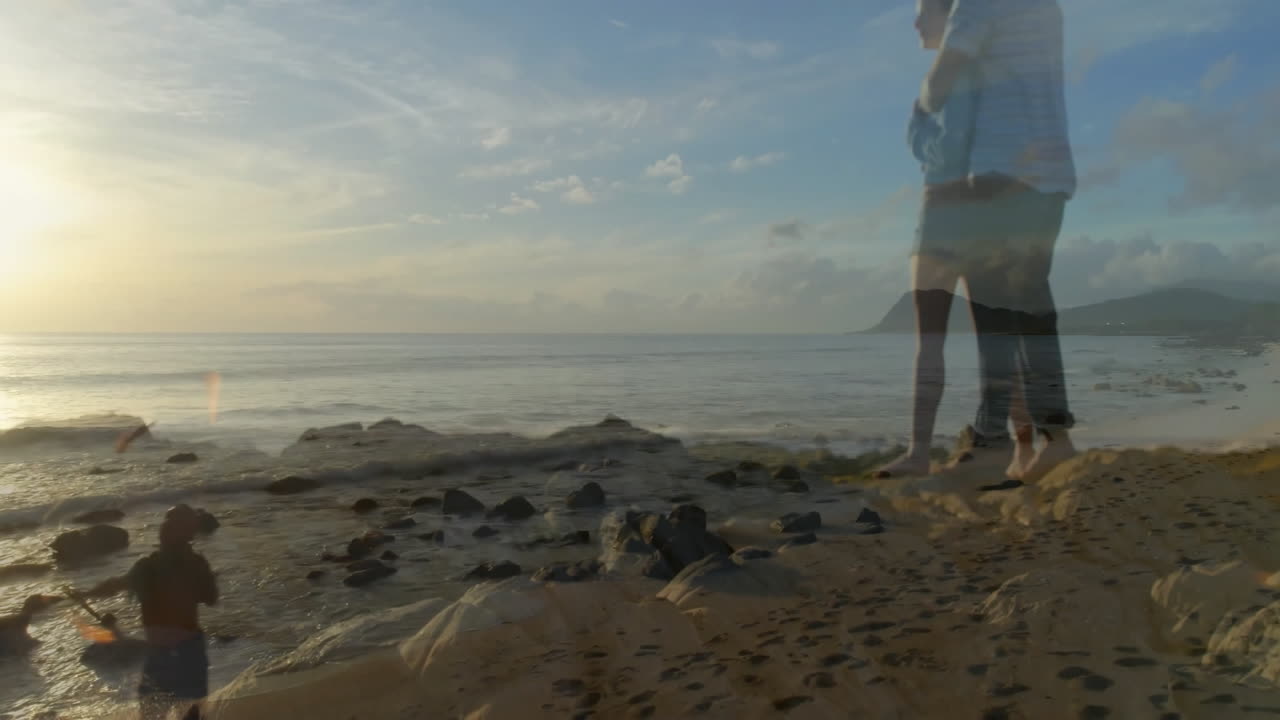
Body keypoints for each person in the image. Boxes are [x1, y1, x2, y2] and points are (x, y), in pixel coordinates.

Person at [874, 0, 1037, 480]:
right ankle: (1000, 449)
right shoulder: (959, 85)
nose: (916, 21)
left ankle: (1000, 450)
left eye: (925, 11)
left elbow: (937, 149)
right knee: (962, 340)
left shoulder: (964, 80)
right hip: (960, 214)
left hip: (960, 210)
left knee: (963, 340)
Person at [917, 0, 1077, 481]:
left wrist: (922, 101)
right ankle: (1048, 440)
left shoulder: (978, 3)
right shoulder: (1046, 8)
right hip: (1051, 173)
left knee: (994, 316)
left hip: (1000, 172)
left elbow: (941, 83)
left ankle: (997, 443)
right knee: (1030, 304)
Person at [128, 504, 219, 720]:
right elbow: (211, 598)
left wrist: (88, 592)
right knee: (191, 714)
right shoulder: (197, 563)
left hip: (161, 651)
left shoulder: (146, 566)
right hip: (188, 651)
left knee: (151, 715)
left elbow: (123, 586)